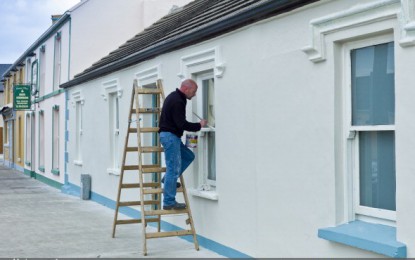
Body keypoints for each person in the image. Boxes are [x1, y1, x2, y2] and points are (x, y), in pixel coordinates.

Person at [159, 79, 207, 210]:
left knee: (188, 156)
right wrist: (199, 125)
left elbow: (177, 122)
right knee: (173, 169)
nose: (195, 94)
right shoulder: (177, 101)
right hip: (170, 137)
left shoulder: (176, 97)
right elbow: (182, 124)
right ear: (186, 89)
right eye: (194, 91)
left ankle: (168, 181)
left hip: (171, 136)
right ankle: (169, 202)